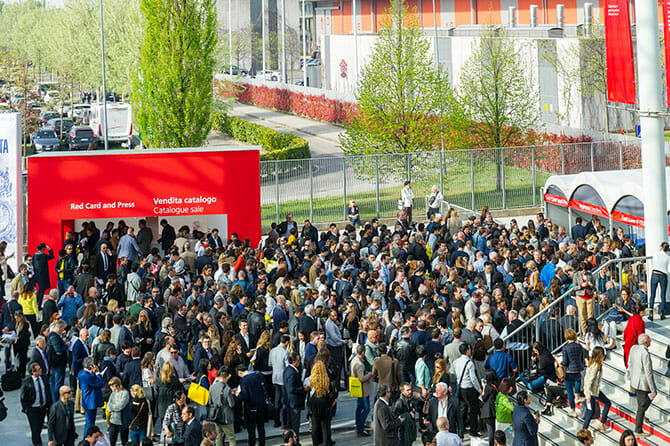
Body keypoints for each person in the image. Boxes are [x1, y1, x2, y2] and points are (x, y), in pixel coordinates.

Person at [627, 334, 656, 438]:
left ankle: (641, 415)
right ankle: (638, 429)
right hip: (643, 383)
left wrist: (630, 380)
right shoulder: (645, 353)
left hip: (635, 381)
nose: (651, 342)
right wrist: (653, 389)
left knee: (641, 404)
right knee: (643, 404)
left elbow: (629, 364)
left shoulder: (633, 348)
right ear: (646, 342)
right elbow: (649, 373)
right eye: (649, 341)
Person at [235, 364, 268, 446]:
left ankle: (252, 444)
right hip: (261, 404)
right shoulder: (259, 375)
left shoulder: (244, 380)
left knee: (251, 430)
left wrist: (237, 395)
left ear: (240, 372)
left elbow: (244, 396)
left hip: (251, 407)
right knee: (261, 427)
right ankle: (262, 443)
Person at [21, 361, 52, 446]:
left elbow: (48, 392)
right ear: (33, 372)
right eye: (38, 370)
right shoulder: (27, 382)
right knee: (35, 429)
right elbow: (23, 397)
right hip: (33, 409)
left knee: (39, 426)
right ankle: (37, 443)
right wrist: (27, 409)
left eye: (40, 369)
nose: (40, 371)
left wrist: (50, 404)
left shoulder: (44, 378)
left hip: (43, 408)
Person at [307, 360, 336, 446]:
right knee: (325, 425)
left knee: (315, 425)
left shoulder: (311, 379)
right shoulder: (326, 379)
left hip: (314, 402)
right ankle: (326, 442)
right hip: (324, 401)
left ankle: (316, 442)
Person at [582, 346, 611, 433]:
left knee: (590, 411)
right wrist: (587, 394)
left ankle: (584, 429)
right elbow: (589, 380)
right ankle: (602, 423)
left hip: (591, 391)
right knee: (608, 403)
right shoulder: (596, 365)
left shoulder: (592, 363)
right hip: (593, 392)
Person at [208, 367, 236, 446]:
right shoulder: (227, 388)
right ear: (226, 377)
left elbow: (210, 402)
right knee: (231, 437)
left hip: (216, 416)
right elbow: (231, 404)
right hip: (226, 417)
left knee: (218, 436)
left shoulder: (211, 387)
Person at [283, 352, 307, 444]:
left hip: (290, 402)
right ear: (293, 362)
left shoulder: (288, 370)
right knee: (295, 425)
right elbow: (291, 389)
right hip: (294, 403)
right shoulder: (291, 373)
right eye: (298, 360)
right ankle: (295, 442)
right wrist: (303, 388)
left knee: (290, 425)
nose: (299, 362)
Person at [561, 328, 584, 418]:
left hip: (569, 371)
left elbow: (565, 362)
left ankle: (573, 410)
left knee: (570, 392)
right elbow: (581, 358)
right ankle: (577, 397)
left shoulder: (565, 348)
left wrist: (561, 364)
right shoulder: (579, 346)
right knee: (578, 382)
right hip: (578, 369)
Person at [350, 344, 373, 436]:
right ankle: (360, 428)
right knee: (366, 409)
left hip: (356, 388)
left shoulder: (354, 360)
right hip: (363, 389)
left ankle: (358, 424)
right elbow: (362, 378)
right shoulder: (360, 364)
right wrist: (370, 374)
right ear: (363, 352)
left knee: (359, 407)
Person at [78, 357, 104, 436]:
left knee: (89, 421)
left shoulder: (81, 373)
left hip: (86, 400)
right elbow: (99, 384)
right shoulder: (88, 376)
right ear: (90, 366)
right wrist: (98, 374)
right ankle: (87, 439)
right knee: (90, 423)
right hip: (91, 402)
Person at [107, 376, 130, 446]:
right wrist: (113, 407)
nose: (111, 388)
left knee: (124, 440)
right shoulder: (112, 393)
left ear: (116, 385)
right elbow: (108, 406)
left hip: (122, 420)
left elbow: (120, 406)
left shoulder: (125, 393)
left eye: (112, 386)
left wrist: (112, 407)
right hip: (113, 420)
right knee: (112, 440)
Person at [649, 242, 669, 321]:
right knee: (662, 295)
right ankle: (662, 312)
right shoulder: (668, 257)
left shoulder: (655, 253)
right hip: (663, 274)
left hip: (654, 273)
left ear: (661, 247)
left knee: (652, 294)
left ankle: (651, 313)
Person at [572, 262, 595, 334]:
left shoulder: (589, 274)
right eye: (582, 270)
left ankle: (591, 331)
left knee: (590, 315)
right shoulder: (576, 275)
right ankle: (584, 332)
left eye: (585, 270)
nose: (584, 272)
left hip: (590, 297)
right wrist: (582, 285)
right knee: (582, 316)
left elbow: (594, 286)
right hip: (580, 297)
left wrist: (591, 286)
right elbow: (574, 287)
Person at [622, 302, 645, 369]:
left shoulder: (631, 319)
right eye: (644, 311)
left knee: (629, 366)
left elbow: (625, 333)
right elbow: (641, 337)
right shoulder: (640, 321)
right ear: (640, 312)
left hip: (628, 346)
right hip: (635, 347)